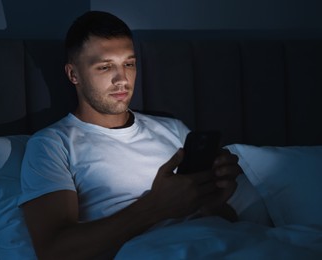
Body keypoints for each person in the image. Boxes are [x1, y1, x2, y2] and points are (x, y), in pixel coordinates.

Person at [19, 11, 242, 259]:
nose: (122, 79)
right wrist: (154, 208)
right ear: (74, 75)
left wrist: (213, 204)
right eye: (105, 67)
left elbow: (227, 225)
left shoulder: (173, 129)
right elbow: (54, 251)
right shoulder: (52, 145)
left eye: (129, 64)